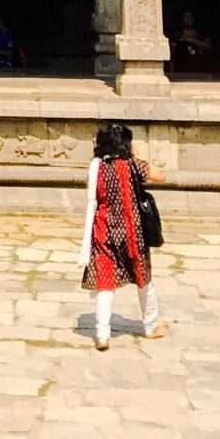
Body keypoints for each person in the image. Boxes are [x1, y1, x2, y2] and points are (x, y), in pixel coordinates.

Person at [79, 121, 164, 350]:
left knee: (105, 283)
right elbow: (160, 175)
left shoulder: (97, 168)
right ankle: (151, 325)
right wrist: (137, 156)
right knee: (143, 278)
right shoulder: (133, 166)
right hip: (132, 231)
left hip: (104, 229)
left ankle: (102, 334)